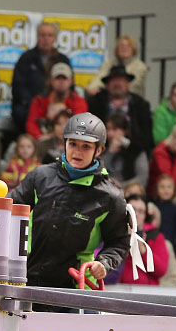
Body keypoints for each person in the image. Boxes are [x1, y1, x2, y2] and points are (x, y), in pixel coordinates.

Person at [10, 112, 130, 288]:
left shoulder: (111, 196)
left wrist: (104, 264)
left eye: (86, 146)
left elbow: (119, 242)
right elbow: (7, 214)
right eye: (73, 144)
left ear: (99, 150)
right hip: (26, 281)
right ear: (64, 143)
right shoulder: (39, 176)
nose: (77, 152)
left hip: (76, 289)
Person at [11, 22, 69, 135]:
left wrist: (56, 104)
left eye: (49, 35)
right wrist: (35, 103)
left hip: (57, 103)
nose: (46, 39)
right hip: (31, 104)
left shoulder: (62, 59)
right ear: (37, 37)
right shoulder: (26, 58)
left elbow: (70, 87)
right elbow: (18, 87)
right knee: (20, 112)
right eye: (42, 35)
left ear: (55, 38)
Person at [87, 65, 154, 153]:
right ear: (107, 85)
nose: (117, 84)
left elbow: (147, 137)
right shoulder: (95, 104)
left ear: (128, 84)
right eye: (113, 80)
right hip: (102, 151)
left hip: (134, 152)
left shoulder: (141, 105)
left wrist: (125, 143)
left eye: (121, 80)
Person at [114, 194, 168, 285]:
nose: (136, 214)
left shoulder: (155, 235)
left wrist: (142, 249)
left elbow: (161, 270)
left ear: (145, 216)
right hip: (116, 287)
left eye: (141, 211)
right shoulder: (113, 231)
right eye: (133, 209)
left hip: (146, 291)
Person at [25, 62, 87, 139]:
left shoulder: (78, 101)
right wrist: (41, 137)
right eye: (57, 78)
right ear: (51, 80)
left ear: (71, 81)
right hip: (42, 140)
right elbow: (31, 124)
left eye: (64, 78)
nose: (61, 82)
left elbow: (78, 125)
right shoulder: (39, 101)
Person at [100, 112, 148, 189]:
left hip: (128, 189)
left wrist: (122, 185)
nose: (110, 133)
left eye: (114, 129)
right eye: (108, 129)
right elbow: (97, 171)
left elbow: (142, 178)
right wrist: (110, 153)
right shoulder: (101, 148)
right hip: (106, 188)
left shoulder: (136, 150)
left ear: (124, 131)